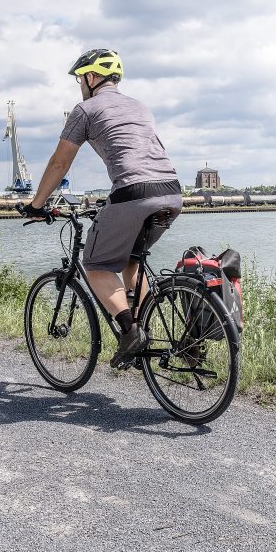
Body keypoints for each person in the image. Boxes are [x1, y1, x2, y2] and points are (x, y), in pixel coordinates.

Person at [20, 49, 182, 368]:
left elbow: (59, 162)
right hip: (172, 192)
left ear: (92, 77)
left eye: (81, 78)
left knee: (96, 266)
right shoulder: (139, 106)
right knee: (131, 263)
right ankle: (146, 334)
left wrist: (36, 205)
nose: (80, 84)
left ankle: (130, 332)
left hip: (133, 193)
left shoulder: (85, 109)